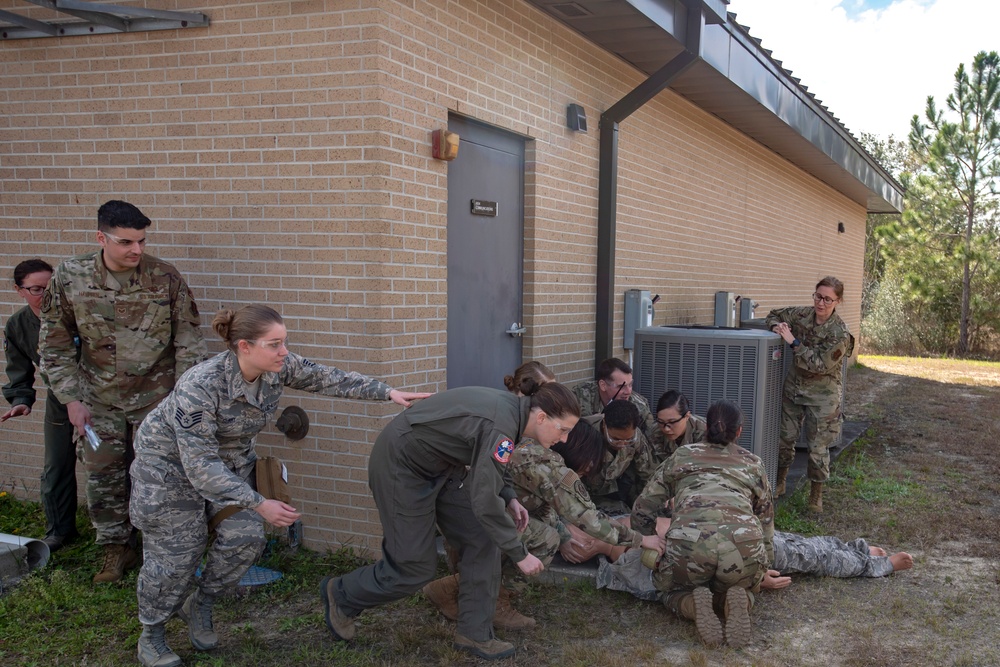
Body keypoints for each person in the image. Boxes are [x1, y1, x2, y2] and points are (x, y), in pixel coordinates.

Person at [129, 305, 430, 667]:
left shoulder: (278, 367)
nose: (284, 352)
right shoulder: (201, 385)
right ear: (244, 346)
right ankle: (152, 635)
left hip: (226, 465)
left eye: (284, 342)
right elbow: (199, 466)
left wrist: (388, 393)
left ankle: (201, 604)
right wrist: (258, 502)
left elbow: (327, 377)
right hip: (169, 471)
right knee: (177, 554)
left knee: (246, 538)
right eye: (274, 344)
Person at [320, 382, 581, 661]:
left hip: (441, 466)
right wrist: (520, 553)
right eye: (563, 430)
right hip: (402, 466)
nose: (564, 439)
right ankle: (343, 594)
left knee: (481, 538)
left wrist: (509, 495)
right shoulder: (502, 423)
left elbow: (493, 461)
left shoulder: (513, 415)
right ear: (541, 417)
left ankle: (474, 633)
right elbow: (484, 500)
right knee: (413, 567)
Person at [39, 200, 207, 582]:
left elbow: (188, 340)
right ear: (102, 237)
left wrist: (182, 400)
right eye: (126, 242)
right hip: (98, 397)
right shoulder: (71, 277)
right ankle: (116, 549)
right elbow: (54, 345)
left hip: (158, 395)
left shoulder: (164, 276)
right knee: (103, 473)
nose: (136, 250)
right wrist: (71, 400)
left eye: (142, 241)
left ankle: (164, 550)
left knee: (163, 472)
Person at [422, 420, 664, 630]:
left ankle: (468, 586)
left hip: (462, 515)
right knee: (545, 541)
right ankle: (486, 598)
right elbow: (590, 518)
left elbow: (545, 507)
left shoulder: (535, 450)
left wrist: (565, 535)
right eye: (589, 462)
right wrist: (640, 540)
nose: (589, 469)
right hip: (471, 521)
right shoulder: (549, 467)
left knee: (543, 529)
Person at [632, 400, 773, 649]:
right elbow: (766, 519)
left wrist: (648, 542)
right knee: (745, 588)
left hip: (689, 544)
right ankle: (734, 601)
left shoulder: (683, 455)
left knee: (668, 590)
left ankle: (695, 606)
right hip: (743, 545)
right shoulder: (753, 463)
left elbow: (644, 506)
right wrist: (762, 566)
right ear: (739, 431)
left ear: (705, 427)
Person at [597, 529, 913, 601]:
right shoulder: (628, 568)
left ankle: (858, 553)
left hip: (735, 542)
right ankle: (874, 564)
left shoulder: (630, 536)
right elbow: (700, 578)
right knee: (807, 554)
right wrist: (755, 580)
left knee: (799, 547)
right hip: (737, 550)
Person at [2, 259, 79, 551]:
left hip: (101, 398)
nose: (45, 295)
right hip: (61, 400)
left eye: (51, 288)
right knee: (56, 465)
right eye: (36, 289)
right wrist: (22, 400)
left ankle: (119, 537)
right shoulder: (19, 324)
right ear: (19, 290)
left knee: (110, 468)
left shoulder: (78, 316)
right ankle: (59, 531)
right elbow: (18, 369)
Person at [765, 276, 855, 512]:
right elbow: (774, 314)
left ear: (837, 301)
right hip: (794, 388)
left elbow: (819, 365)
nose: (821, 303)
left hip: (823, 396)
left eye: (827, 299)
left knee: (817, 447)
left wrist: (793, 342)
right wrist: (777, 326)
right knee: (785, 438)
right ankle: (780, 481)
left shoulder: (839, 334)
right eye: (818, 296)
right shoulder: (802, 315)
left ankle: (816, 494)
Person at [583, 399, 657, 512]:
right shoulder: (583, 435)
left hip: (618, 487)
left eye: (628, 440)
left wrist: (652, 501)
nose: (622, 445)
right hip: (585, 493)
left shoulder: (636, 436)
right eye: (615, 439)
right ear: (604, 425)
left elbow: (646, 472)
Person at [572, 357, 660, 447]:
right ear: (603, 385)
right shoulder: (580, 397)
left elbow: (650, 440)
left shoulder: (639, 405)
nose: (628, 391)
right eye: (621, 387)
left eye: (630, 385)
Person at [652, 390, 706, 464]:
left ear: (687, 416)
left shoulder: (705, 431)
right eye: (661, 421)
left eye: (672, 422)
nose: (666, 429)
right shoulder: (653, 431)